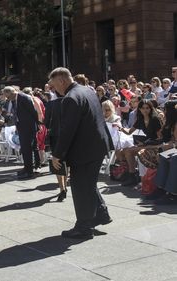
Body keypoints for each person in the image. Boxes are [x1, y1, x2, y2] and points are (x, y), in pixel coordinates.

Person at [50, 67, 112, 239]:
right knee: (89, 183)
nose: (55, 90)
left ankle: (84, 227)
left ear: (62, 80)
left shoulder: (70, 98)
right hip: (97, 146)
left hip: (84, 151)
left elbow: (68, 130)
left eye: (55, 85)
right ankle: (101, 214)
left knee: (80, 187)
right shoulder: (88, 91)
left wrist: (58, 154)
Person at [118, 99, 162, 186]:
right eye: (143, 108)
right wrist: (120, 127)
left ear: (151, 109)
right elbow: (129, 132)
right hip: (146, 143)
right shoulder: (140, 119)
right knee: (127, 151)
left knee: (131, 151)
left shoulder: (155, 119)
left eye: (147, 108)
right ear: (140, 109)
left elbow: (160, 138)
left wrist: (145, 143)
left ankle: (138, 178)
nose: (145, 110)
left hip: (156, 144)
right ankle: (133, 176)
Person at [2, 86, 39, 179]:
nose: (7, 99)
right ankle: (26, 168)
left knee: (28, 149)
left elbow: (33, 112)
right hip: (21, 127)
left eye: (8, 96)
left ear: (12, 93)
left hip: (29, 128)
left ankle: (29, 171)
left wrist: (38, 125)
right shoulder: (14, 99)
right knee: (24, 149)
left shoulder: (25, 98)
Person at [45, 92, 67, 202]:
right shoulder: (69, 102)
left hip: (55, 136)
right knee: (66, 160)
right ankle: (65, 186)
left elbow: (46, 123)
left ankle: (62, 188)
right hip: (68, 135)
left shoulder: (50, 104)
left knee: (57, 160)